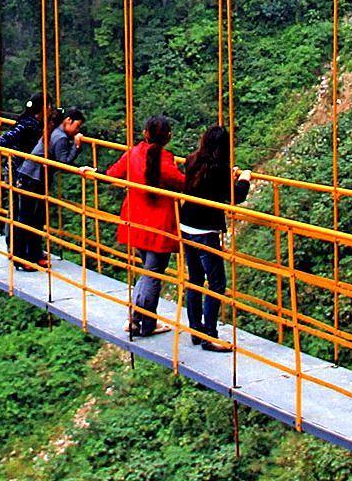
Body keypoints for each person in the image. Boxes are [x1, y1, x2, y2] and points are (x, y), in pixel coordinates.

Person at [101, 114, 185, 338]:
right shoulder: (166, 161)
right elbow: (183, 183)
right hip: (159, 226)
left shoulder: (133, 154)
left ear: (144, 134)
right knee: (153, 274)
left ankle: (140, 320)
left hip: (135, 221)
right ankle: (141, 321)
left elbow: (111, 174)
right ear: (168, 137)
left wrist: (90, 172)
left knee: (148, 272)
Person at [178, 125, 251, 352]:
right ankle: (209, 336)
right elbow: (235, 196)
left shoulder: (192, 161)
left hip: (186, 224)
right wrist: (244, 179)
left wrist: (229, 175)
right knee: (217, 282)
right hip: (205, 231)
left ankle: (195, 330)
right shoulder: (219, 168)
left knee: (196, 279)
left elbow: (206, 185)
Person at [11, 106, 85, 271]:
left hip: (28, 175)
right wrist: (77, 147)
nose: (77, 131)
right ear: (68, 121)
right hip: (34, 179)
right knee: (31, 219)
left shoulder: (53, 132)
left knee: (28, 218)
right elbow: (64, 163)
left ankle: (27, 255)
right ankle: (28, 257)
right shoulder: (61, 138)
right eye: (77, 126)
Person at [0, 93, 47, 237]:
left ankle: (17, 244)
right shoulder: (28, 124)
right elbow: (13, 135)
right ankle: (13, 243)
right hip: (18, 170)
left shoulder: (36, 123)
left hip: (22, 170)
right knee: (17, 208)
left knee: (19, 208)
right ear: (43, 108)